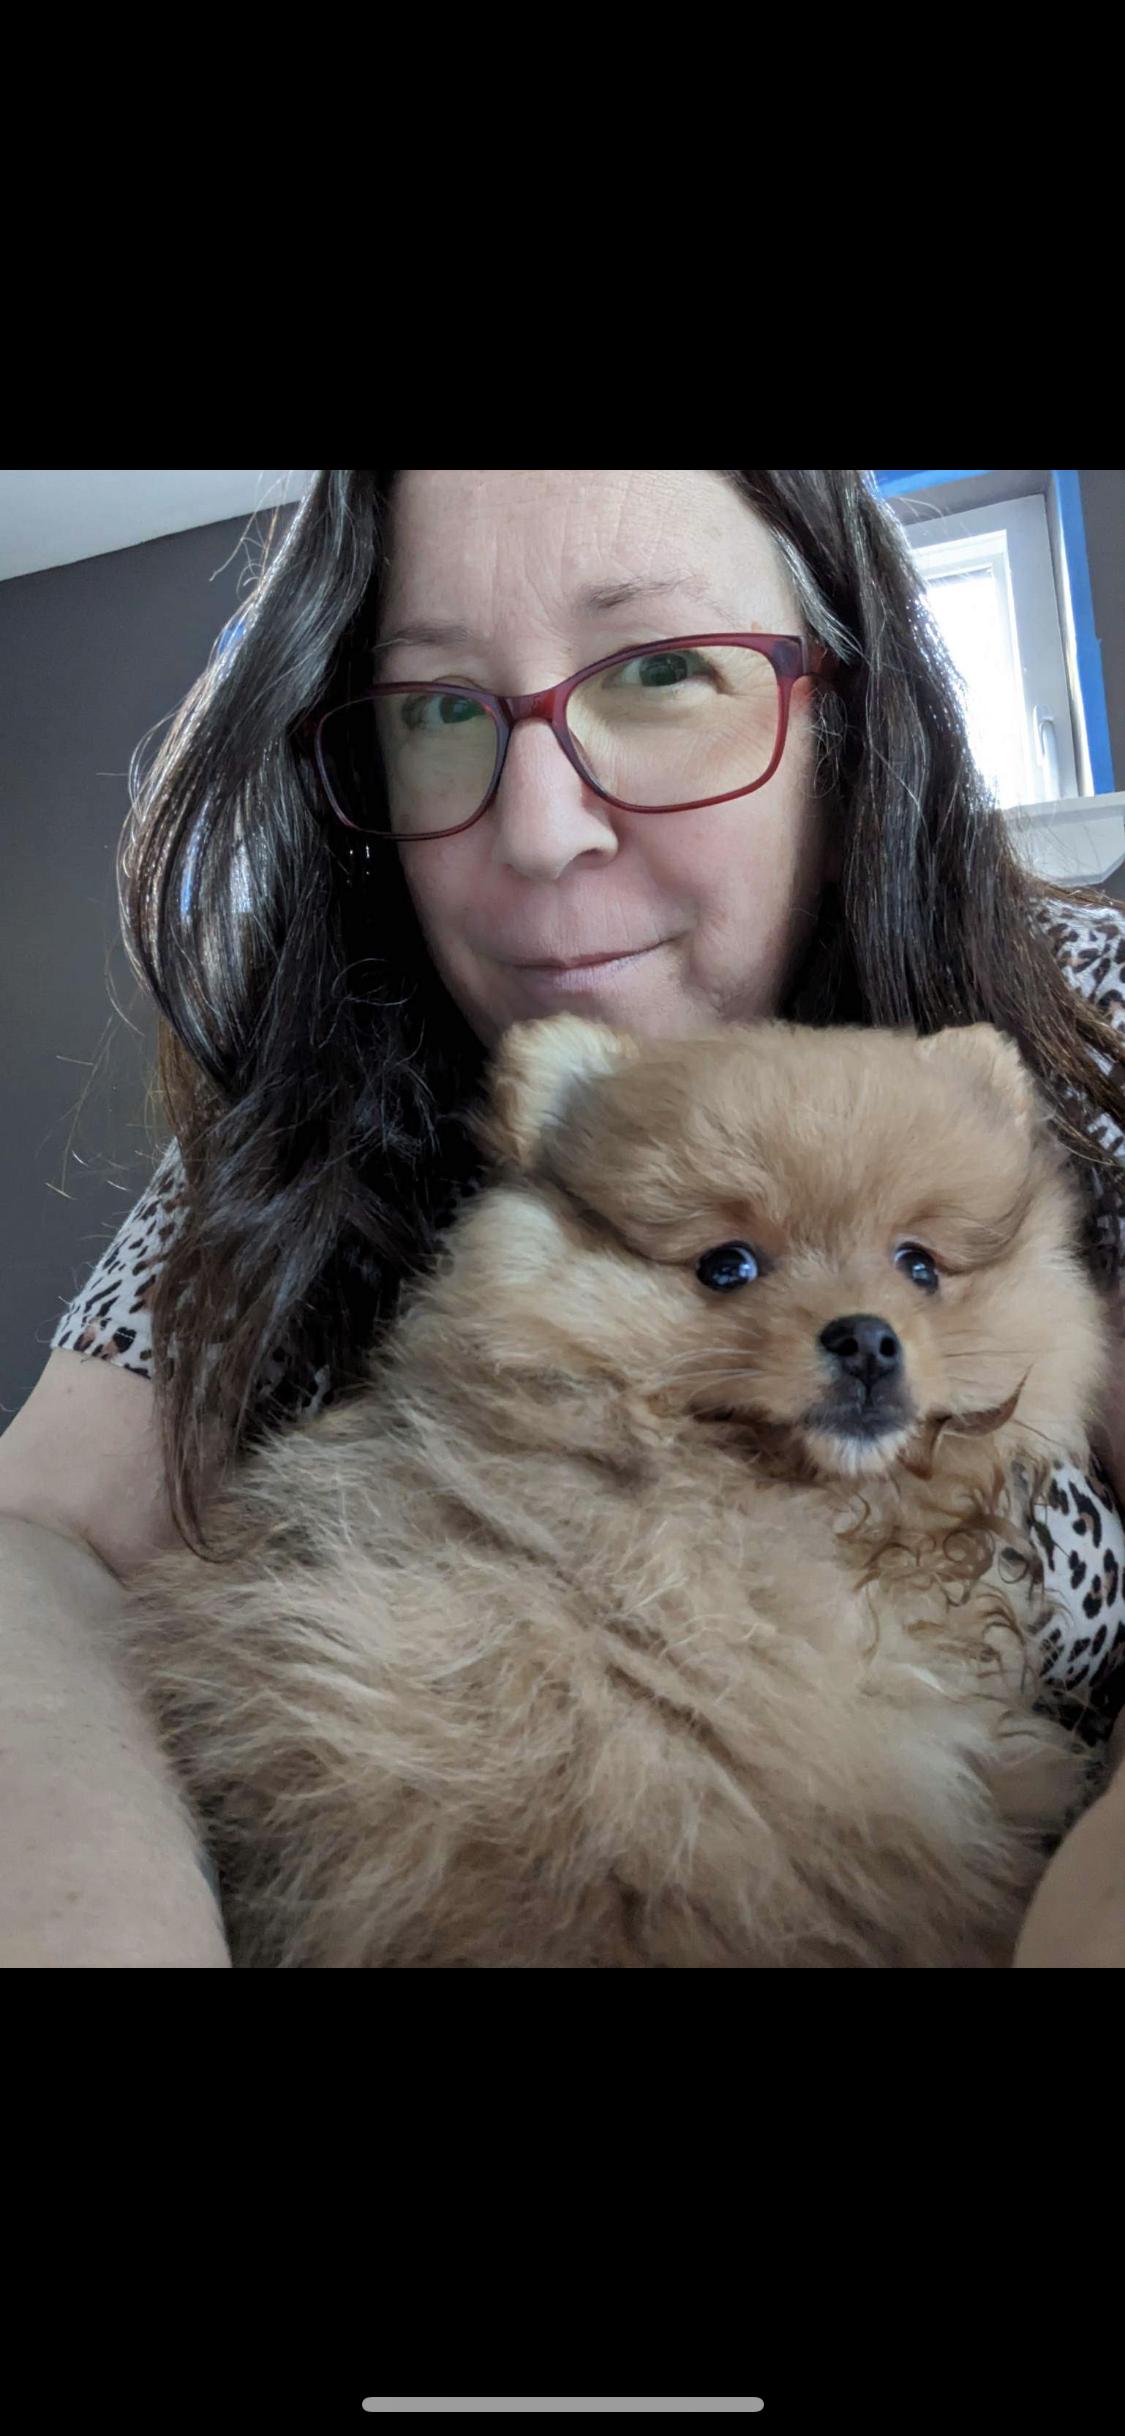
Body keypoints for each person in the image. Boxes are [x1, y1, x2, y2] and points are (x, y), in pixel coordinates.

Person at [4, 467, 1125, 1970]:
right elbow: (40, 1534)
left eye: (657, 671)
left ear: (845, 710)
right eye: (439, 708)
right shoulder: (301, 1102)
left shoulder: (1084, 1022)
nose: (536, 831)